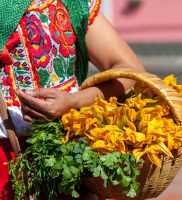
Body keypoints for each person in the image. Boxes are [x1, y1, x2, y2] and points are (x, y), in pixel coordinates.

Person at [0, 0, 144, 199]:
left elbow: (130, 71)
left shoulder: (73, 3)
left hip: (68, 154)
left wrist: (73, 102)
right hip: (4, 157)